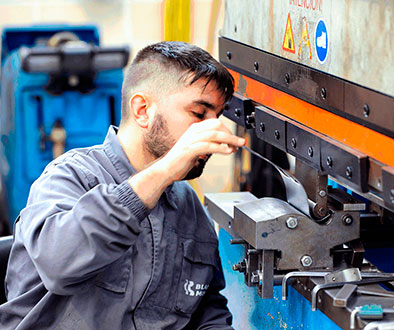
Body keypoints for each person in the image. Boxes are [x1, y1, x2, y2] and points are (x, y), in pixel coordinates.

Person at [0, 41, 245, 329]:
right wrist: (164, 170)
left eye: (217, 116)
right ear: (142, 110)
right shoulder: (68, 177)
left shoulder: (190, 210)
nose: (213, 129)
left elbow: (207, 312)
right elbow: (59, 265)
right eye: (199, 114)